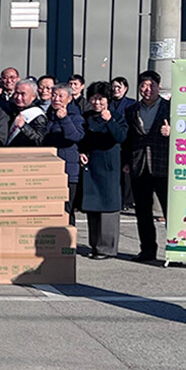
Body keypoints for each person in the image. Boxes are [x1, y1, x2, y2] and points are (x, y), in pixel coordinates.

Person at [122, 70, 171, 263]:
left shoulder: (171, 108)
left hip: (163, 165)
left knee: (170, 211)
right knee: (143, 212)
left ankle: (174, 251)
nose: (147, 89)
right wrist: (126, 161)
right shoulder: (132, 110)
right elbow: (127, 139)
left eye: (151, 86)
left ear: (159, 86)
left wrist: (172, 131)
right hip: (139, 165)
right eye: (143, 86)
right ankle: (147, 250)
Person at [78, 81, 128, 260]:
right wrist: (81, 152)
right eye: (93, 98)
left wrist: (110, 121)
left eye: (101, 99)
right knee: (92, 207)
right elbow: (81, 139)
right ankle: (95, 245)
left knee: (108, 207)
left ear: (108, 99)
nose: (96, 102)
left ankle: (107, 248)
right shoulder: (86, 117)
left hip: (108, 167)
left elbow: (121, 136)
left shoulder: (117, 116)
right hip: (91, 166)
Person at [44, 83, 86, 225]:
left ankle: (69, 238)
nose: (56, 99)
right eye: (54, 95)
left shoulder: (75, 116)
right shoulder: (48, 115)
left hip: (68, 170)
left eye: (60, 96)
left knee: (66, 210)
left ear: (69, 98)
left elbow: (76, 136)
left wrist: (64, 119)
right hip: (50, 169)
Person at [109, 75, 135, 210]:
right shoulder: (108, 103)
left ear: (125, 88)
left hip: (126, 142)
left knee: (126, 172)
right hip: (111, 142)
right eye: (113, 87)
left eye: (119, 87)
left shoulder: (131, 104)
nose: (116, 89)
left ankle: (127, 200)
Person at [6, 79, 48, 146]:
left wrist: (24, 126)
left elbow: (40, 141)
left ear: (33, 96)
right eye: (17, 93)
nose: (18, 97)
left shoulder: (37, 115)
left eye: (23, 94)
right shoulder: (9, 109)